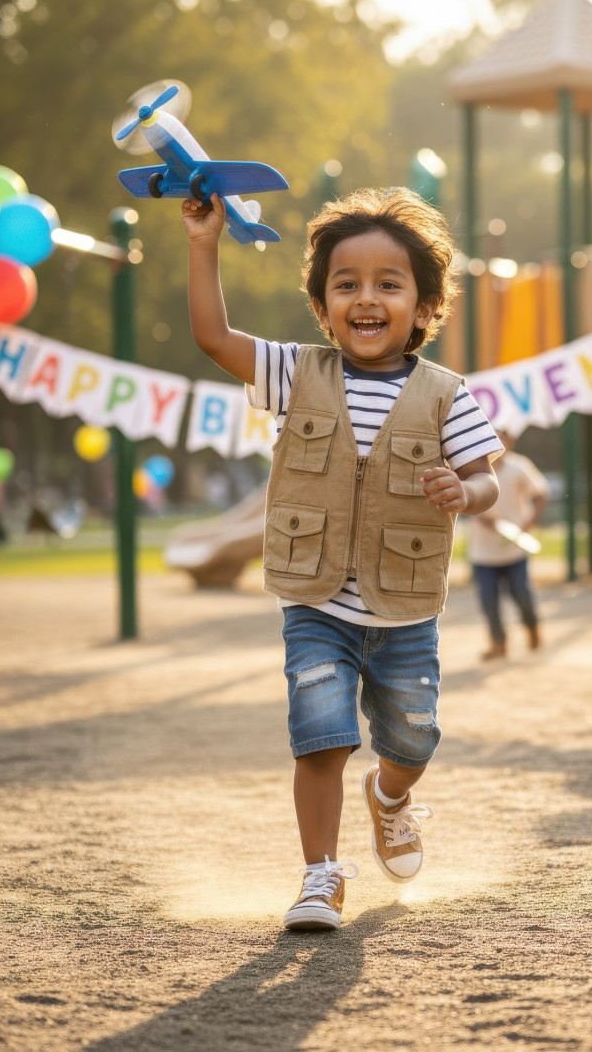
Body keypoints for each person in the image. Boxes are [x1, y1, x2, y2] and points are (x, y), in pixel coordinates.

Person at [183, 187, 502, 932]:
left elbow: (488, 473)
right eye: (346, 284)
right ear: (323, 308)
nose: (366, 298)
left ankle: (391, 798)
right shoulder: (296, 373)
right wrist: (205, 244)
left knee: (414, 736)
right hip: (316, 600)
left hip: (405, 606)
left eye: (388, 284)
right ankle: (321, 875)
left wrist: (468, 489)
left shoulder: (447, 396)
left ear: (424, 307)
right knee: (321, 733)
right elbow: (213, 336)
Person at [467, 431, 548, 660]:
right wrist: (474, 510)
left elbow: (542, 494)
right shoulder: (471, 470)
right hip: (483, 552)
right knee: (489, 601)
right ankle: (498, 643)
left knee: (522, 594)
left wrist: (529, 523)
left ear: (510, 442)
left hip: (514, 549)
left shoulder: (519, 467)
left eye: (503, 439)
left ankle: (532, 628)